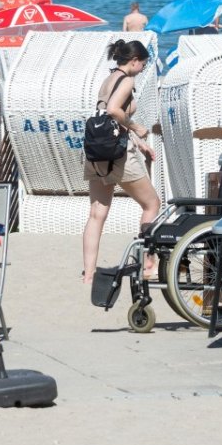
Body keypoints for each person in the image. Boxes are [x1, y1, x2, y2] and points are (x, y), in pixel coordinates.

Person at [82, 39, 159, 284]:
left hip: (96, 151)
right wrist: (137, 127)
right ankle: (148, 263)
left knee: (97, 213)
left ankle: (89, 274)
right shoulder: (127, 80)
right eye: (143, 65)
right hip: (118, 157)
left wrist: (137, 141)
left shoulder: (108, 79)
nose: (143, 69)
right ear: (134, 61)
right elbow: (115, 111)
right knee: (152, 205)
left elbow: (108, 118)